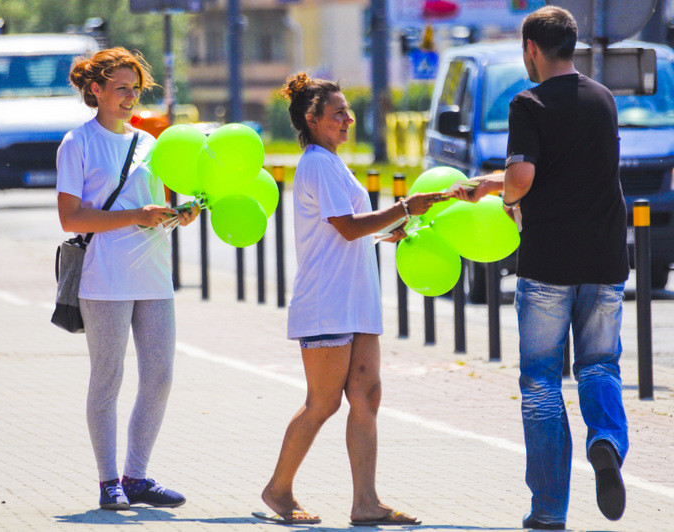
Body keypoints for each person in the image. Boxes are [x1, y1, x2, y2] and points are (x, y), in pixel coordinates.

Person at [450, 7, 629, 529]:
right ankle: (606, 442)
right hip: (605, 257)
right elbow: (572, 168)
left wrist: (503, 193)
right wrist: (497, 182)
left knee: (542, 384)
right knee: (600, 365)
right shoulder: (603, 99)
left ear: (531, 48)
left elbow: (524, 177)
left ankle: (549, 510)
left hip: (549, 261)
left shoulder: (527, 102)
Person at [254, 72, 447, 526]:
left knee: (367, 395)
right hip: (326, 300)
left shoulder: (333, 164)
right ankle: (278, 489)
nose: (347, 119)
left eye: (347, 111)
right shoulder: (317, 163)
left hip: (355, 298)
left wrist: (386, 232)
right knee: (323, 403)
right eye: (338, 112)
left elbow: (351, 226)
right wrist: (405, 207)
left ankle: (365, 503)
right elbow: (344, 225)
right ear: (312, 118)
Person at [56, 47, 200, 511]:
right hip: (105, 277)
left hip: (154, 275)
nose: (130, 97)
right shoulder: (77, 143)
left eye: (135, 89)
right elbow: (70, 217)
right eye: (121, 88)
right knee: (108, 378)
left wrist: (181, 213)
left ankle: (136, 476)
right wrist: (136, 215)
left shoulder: (149, 143)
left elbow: (158, 204)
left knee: (159, 376)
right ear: (94, 90)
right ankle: (107, 482)